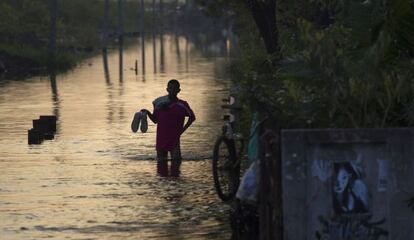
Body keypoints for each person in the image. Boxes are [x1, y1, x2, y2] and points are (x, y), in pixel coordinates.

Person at [142, 79, 195, 177]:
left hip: (174, 139)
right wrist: (148, 112)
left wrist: (182, 131)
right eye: (170, 88)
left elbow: (192, 118)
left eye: (175, 88)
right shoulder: (159, 105)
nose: (172, 90)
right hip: (161, 139)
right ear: (167, 89)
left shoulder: (182, 105)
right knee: (161, 169)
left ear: (179, 90)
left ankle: (174, 186)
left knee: (176, 166)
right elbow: (155, 120)